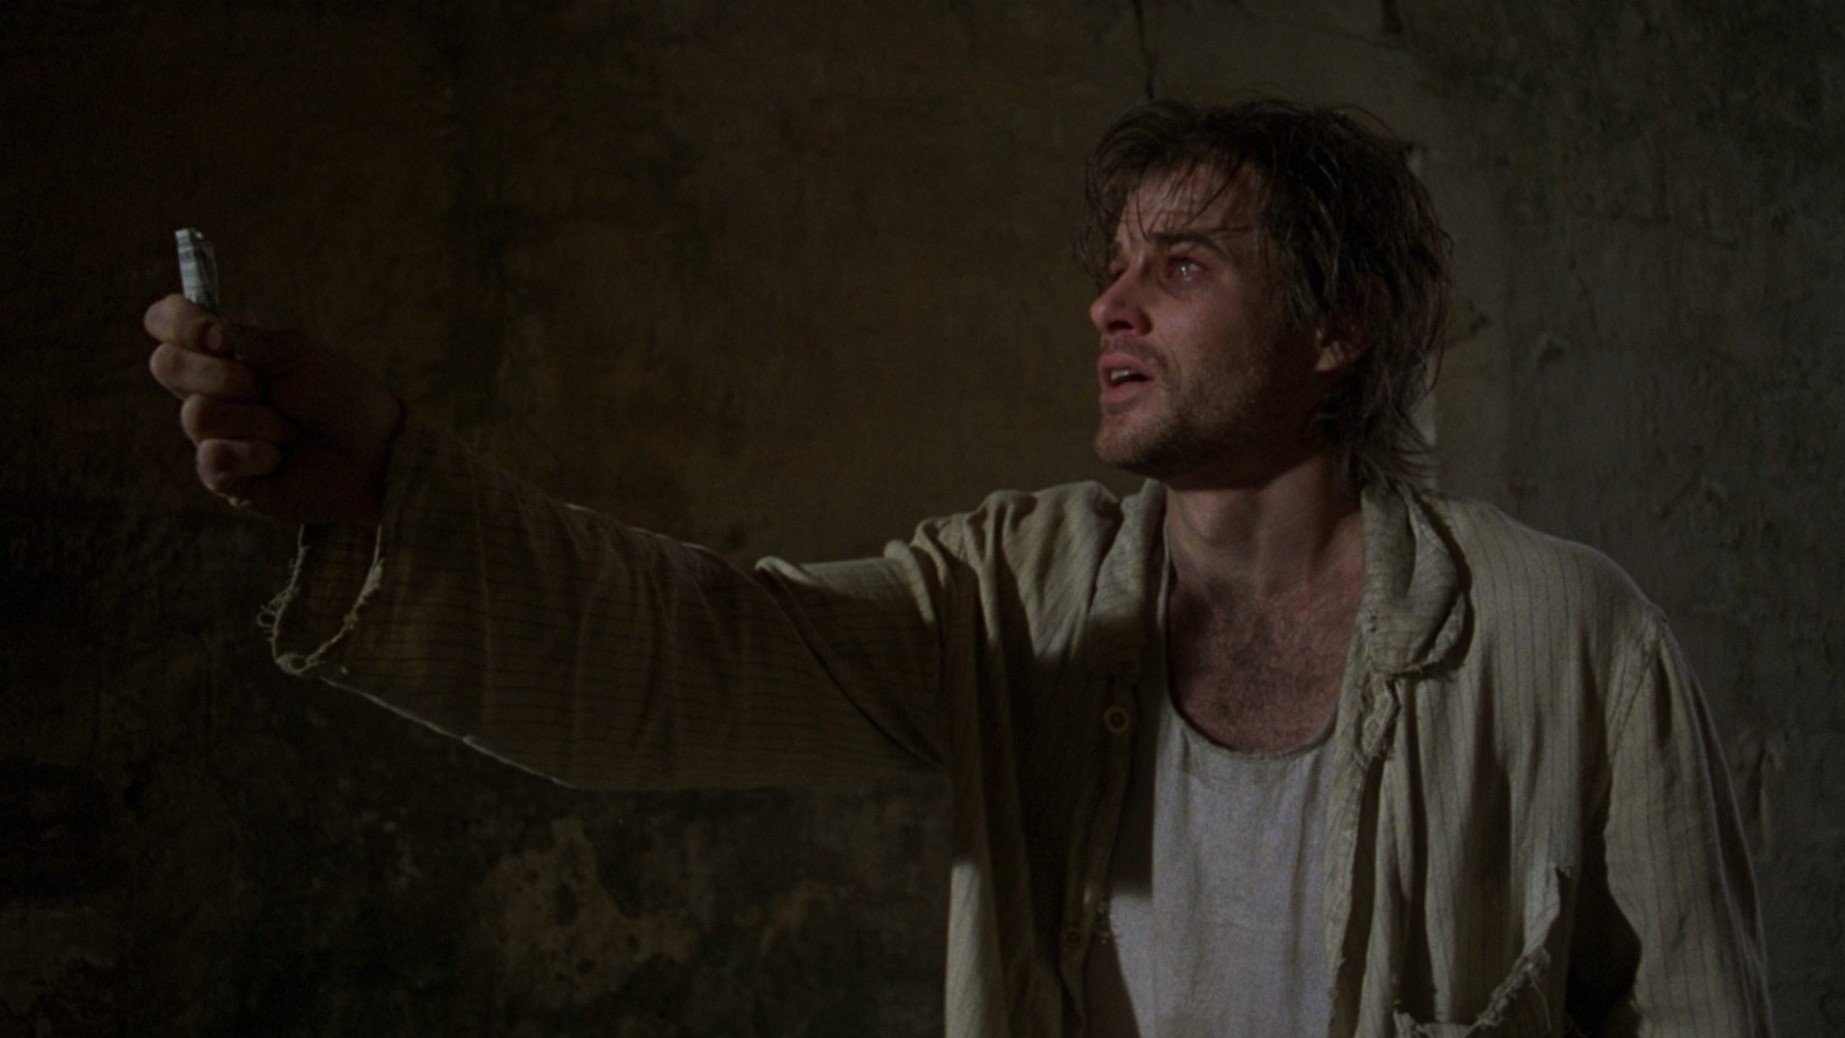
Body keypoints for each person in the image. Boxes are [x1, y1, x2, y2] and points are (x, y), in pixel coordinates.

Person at [146, 98, 1773, 1036]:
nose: (1108, 304)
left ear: (1337, 324)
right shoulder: (1012, 592)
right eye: (1111, 265)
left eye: (1179, 265)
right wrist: (390, 485)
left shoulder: (1566, 638)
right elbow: (678, 660)